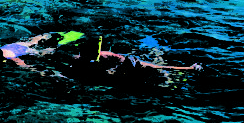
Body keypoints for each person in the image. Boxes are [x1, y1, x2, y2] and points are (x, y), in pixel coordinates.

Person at [70, 37, 202, 86]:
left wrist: (190, 69)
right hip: (122, 67)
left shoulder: (107, 57)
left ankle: (189, 68)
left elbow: (156, 67)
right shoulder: (77, 60)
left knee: (158, 68)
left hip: (130, 64)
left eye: (95, 52)